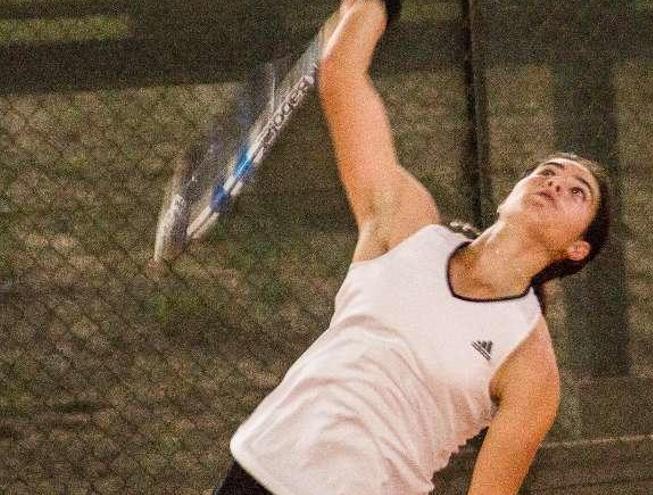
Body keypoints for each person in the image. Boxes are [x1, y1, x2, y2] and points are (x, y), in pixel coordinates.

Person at [214, 0, 611, 493]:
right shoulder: (405, 227)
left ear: (577, 250)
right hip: (259, 468)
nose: (554, 184)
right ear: (512, 191)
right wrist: (377, 5)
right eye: (547, 171)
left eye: (578, 192)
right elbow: (340, 75)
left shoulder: (530, 365)